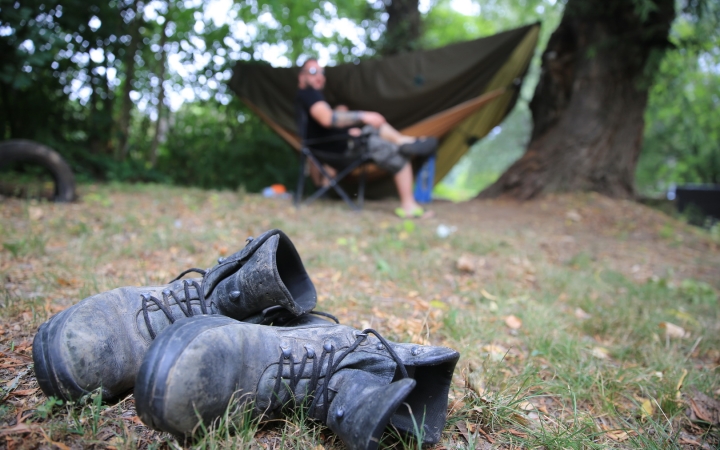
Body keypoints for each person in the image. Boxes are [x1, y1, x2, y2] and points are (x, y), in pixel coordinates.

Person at [296, 58, 437, 219]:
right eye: (313, 72)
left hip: (333, 147)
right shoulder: (309, 94)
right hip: (339, 151)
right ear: (302, 77)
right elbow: (327, 118)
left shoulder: (309, 97)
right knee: (396, 151)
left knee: (373, 128)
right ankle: (408, 204)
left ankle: (403, 141)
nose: (319, 76)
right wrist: (364, 115)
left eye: (322, 72)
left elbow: (323, 129)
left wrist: (348, 132)